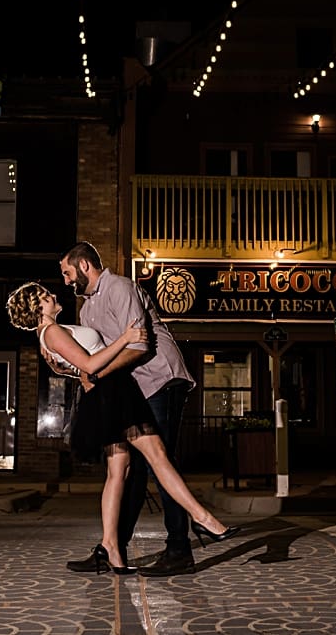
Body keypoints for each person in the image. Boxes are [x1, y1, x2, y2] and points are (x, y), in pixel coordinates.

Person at [6, 281, 238, 575]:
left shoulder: (52, 333)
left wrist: (67, 369)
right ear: (37, 308)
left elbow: (79, 367)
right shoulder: (50, 332)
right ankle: (204, 519)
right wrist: (126, 338)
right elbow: (90, 365)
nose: (52, 295)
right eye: (44, 296)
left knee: (119, 471)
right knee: (156, 455)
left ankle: (112, 549)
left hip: (107, 393)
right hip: (113, 392)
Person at [59, 242, 206, 576]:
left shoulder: (120, 287)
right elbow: (95, 359)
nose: (66, 281)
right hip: (135, 389)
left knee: (158, 462)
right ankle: (113, 549)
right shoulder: (86, 310)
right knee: (132, 471)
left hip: (161, 379)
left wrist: (95, 373)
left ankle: (180, 549)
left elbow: (139, 346)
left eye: (68, 273)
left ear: (84, 266)